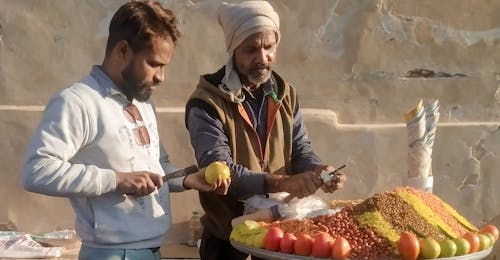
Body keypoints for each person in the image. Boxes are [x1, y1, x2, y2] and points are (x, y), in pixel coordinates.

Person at [21, 1, 229, 260]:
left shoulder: (143, 103)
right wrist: (115, 179)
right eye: (154, 64)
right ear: (122, 50)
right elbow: (37, 170)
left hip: (152, 250)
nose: (161, 77)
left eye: (164, 66)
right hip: (111, 253)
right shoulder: (78, 102)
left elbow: (157, 166)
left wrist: (186, 180)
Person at [184, 1, 347, 259]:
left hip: (278, 231)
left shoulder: (284, 94)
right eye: (251, 49)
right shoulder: (206, 102)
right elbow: (219, 170)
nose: (262, 58)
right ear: (233, 49)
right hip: (228, 234)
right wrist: (283, 182)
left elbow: (300, 149)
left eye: (269, 47)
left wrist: (318, 169)